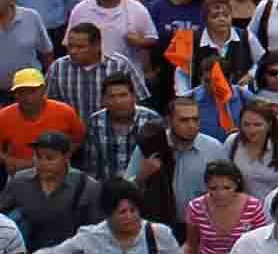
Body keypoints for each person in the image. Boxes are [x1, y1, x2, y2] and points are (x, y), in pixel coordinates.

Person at [125, 97, 228, 228]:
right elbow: (124, 190)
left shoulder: (213, 149)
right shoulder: (150, 147)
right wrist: (142, 176)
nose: (191, 125)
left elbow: (228, 191)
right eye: (184, 120)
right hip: (159, 227)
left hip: (202, 228)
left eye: (195, 119)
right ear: (169, 121)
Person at [0, 130, 103, 250]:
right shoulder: (19, 182)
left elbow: (97, 232)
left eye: (50, 158)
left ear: (66, 157)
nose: (42, 163)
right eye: (38, 157)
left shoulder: (88, 186)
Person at [32, 178, 181, 254]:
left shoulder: (159, 234)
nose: (129, 216)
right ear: (108, 214)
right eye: (122, 212)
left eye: (133, 210)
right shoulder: (90, 236)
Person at [46, 22, 150, 121]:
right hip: (72, 134)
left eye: (80, 47)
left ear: (97, 45)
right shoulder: (58, 67)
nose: (73, 51)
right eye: (70, 46)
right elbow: (48, 104)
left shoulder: (119, 65)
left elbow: (140, 100)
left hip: (109, 134)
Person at [83, 72, 162, 182]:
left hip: (144, 191)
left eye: (123, 95)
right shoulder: (95, 121)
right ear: (104, 100)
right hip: (108, 192)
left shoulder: (152, 119)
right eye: (111, 97)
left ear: (134, 97)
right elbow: (92, 167)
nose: (118, 101)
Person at [185, 160, 268, 254]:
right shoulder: (196, 207)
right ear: (206, 186)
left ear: (236, 184)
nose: (220, 194)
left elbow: (261, 243)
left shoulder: (253, 207)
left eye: (226, 188)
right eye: (213, 188)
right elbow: (192, 245)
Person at [224, 100, 278, 201]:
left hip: (272, 211)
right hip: (241, 211)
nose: (251, 130)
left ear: (269, 125)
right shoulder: (232, 142)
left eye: (257, 125)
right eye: (246, 124)